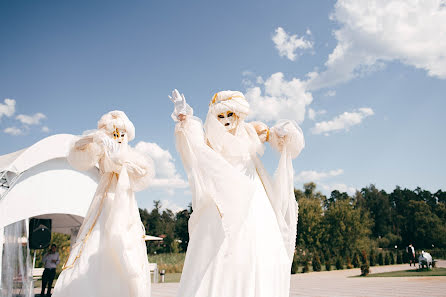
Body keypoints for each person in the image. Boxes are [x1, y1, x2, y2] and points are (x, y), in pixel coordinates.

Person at [169, 89, 304, 297]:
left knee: (259, 250)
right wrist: (184, 117)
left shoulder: (252, 130)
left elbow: (278, 140)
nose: (225, 120)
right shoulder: (211, 140)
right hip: (222, 201)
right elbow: (194, 146)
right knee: (219, 253)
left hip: (254, 198)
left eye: (229, 114)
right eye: (220, 116)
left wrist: (285, 132)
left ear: (238, 113)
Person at [52, 111, 155, 297]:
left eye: (122, 133)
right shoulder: (101, 150)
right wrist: (95, 137)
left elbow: (142, 173)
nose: (119, 137)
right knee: (96, 239)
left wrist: (120, 159)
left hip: (123, 200)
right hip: (104, 198)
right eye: (115, 133)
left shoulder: (131, 155)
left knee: (124, 240)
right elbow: (78, 151)